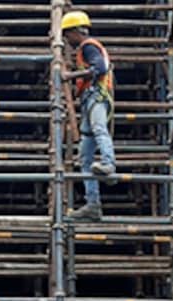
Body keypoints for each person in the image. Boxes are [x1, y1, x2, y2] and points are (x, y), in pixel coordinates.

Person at [61, 10, 116, 223]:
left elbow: (100, 68)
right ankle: (93, 205)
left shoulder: (89, 46)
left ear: (76, 31)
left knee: (99, 128)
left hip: (98, 98)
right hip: (89, 100)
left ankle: (109, 163)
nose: (67, 40)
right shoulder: (84, 50)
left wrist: (70, 75)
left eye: (68, 35)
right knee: (85, 158)